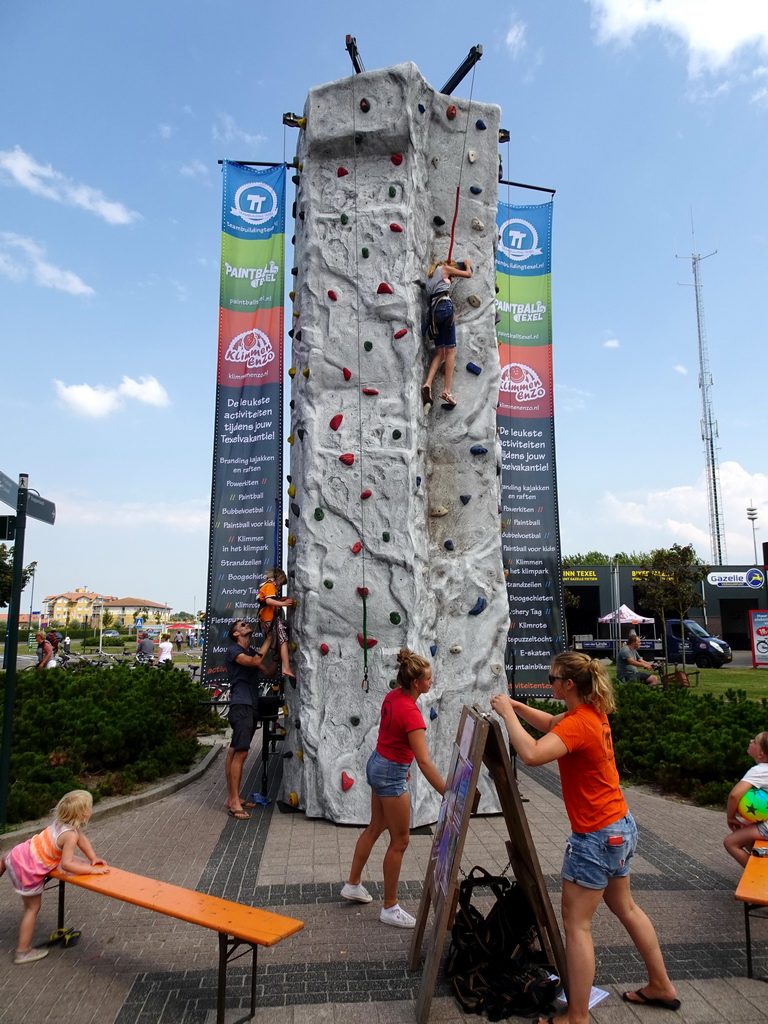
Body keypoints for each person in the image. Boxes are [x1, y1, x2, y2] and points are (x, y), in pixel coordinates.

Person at [490, 652, 679, 1023]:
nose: (549, 683)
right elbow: (549, 723)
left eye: (551, 678)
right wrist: (515, 706)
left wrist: (508, 716)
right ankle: (661, 984)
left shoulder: (579, 724)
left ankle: (576, 1016)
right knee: (625, 907)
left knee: (576, 925)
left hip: (595, 837)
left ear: (568, 684)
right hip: (619, 827)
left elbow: (530, 754)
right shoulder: (589, 714)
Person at [341, 649, 445, 928]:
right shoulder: (411, 712)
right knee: (400, 841)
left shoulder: (393, 696)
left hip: (379, 762)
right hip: (390, 773)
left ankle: (353, 884)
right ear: (416, 684)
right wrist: (448, 791)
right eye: (428, 679)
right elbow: (424, 761)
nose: (431, 682)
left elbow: (392, 737)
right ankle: (390, 907)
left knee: (375, 826)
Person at [0, 789, 109, 965]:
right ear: (83, 814)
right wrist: (91, 870)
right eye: (90, 806)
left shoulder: (63, 823)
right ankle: (23, 951)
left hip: (17, 854)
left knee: (5, 856)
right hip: (27, 867)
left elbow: (83, 840)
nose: (92, 808)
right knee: (32, 909)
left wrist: (93, 858)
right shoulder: (70, 835)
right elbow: (67, 864)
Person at [224, 620, 276, 819]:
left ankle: (232, 798)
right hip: (242, 705)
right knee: (241, 753)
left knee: (233, 751)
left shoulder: (252, 651)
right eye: (242, 625)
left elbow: (268, 671)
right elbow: (254, 663)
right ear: (236, 634)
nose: (247, 626)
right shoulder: (233, 651)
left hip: (250, 705)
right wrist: (269, 639)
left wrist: (278, 656)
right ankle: (235, 803)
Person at [421, 257, 473, 408]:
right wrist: (467, 265)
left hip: (433, 312)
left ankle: (427, 384)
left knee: (440, 352)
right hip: (444, 306)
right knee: (450, 351)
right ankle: (447, 391)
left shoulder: (431, 276)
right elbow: (468, 274)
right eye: (453, 275)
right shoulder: (445, 269)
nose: (453, 277)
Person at [723, 730, 768, 867]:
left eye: (755, 741)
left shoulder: (760, 771)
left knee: (730, 842)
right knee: (744, 829)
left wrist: (730, 817)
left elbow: (734, 795)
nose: (750, 741)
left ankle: (761, 878)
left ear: (761, 754)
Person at [257, 569, 296, 679]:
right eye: (280, 583)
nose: (279, 586)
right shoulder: (270, 586)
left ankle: (278, 656)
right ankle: (286, 667)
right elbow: (269, 601)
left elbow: (269, 601)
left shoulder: (265, 586)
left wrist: (279, 599)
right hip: (271, 619)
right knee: (283, 640)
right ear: (277, 578)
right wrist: (283, 603)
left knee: (279, 641)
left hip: (266, 620)